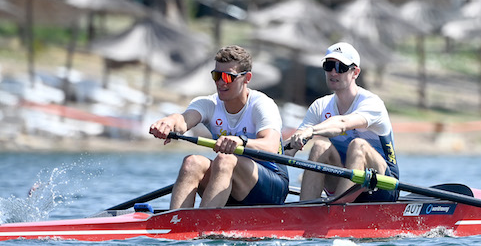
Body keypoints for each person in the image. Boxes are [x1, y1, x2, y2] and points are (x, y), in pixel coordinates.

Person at [149, 45, 289, 209]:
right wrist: (170, 122)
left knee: (225, 159)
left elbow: (271, 147)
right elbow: (183, 121)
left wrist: (240, 142)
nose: (221, 82)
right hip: (228, 183)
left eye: (228, 77)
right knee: (192, 162)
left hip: (270, 187)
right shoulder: (208, 104)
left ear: (247, 78)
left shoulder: (261, 104)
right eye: (216, 75)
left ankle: (202, 227)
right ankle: (175, 223)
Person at [287, 41, 399, 201]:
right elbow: (288, 149)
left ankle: (336, 213)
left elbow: (342, 124)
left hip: (382, 185)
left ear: (355, 72)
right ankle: (305, 213)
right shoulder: (320, 106)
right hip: (344, 180)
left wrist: (311, 131)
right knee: (319, 146)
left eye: (341, 68)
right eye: (329, 66)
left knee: (358, 145)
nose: (333, 72)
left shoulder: (371, 103)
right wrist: (253, 148)